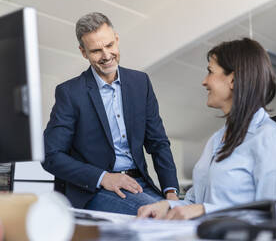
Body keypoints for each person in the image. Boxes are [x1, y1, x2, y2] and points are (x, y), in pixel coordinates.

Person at [137, 38, 276, 220]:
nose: (204, 82)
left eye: (210, 72)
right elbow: (195, 203)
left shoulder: (272, 138)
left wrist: (206, 211)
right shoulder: (216, 139)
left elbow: (274, 218)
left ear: (233, 80)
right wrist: (167, 205)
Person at [42, 12, 179, 215]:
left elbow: (158, 142)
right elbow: (50, 155)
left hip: (139, 182)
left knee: (181, 216)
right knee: (158, 219)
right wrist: (104, 177)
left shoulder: (140, 83)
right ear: (83, 52)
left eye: (109, 45)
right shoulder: (70, 93)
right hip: (95, 188)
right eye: (96, 50)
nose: (106, 55)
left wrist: (171, 191)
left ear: (117, 39)